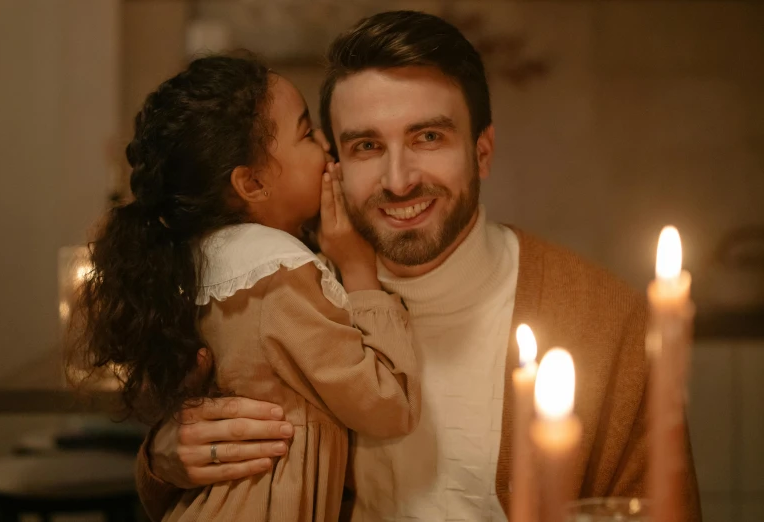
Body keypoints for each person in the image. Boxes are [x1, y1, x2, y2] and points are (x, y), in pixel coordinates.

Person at [134, 11, 702, 522]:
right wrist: (162, 456)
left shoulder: (604, 323)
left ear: (482, 151)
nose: (400, 179)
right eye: (365, 146)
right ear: (331, 162)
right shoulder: (279, 299)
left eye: (428, 137)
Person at [70, 53, 421, 521]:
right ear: (252, 182)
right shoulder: (276, 274)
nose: (327, 147)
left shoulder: (219, 261)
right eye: (307, 132)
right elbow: (386, 404)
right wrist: (359, 271)